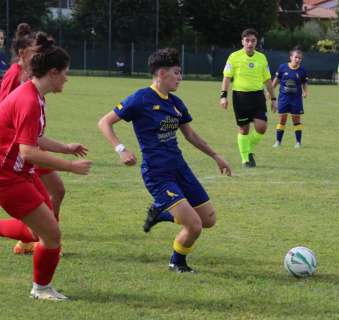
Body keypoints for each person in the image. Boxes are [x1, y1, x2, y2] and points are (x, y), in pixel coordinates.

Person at [98, 48, 232, 273]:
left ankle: (161, 213)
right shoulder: (140, 99)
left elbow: (190, 135)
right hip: (157, 173)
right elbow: (104, 122)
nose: (180, 78)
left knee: (208, 219)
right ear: (161, 73)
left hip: (180, 168)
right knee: (194, 225)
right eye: (177, 73)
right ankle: (177, 262)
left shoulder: (176, 103)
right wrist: (120, 149)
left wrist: (216, 156)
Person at [0, 34, 91, 300]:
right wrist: (70, 166)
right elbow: (28, 152)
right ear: (52, 72)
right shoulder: (28, 100)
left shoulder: (34, 94)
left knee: (37, 231)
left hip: (20, 173)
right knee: (51, 235)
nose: (67, 78)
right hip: (7, 177)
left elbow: (31, 137)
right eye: (65, 73)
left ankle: (42, 287)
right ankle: (41, 289)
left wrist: (65, 147)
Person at [0, 24, 68, 256]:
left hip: (26, 146)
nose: (42, 57)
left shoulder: (34, 85)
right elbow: (7, 112)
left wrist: (65, 149)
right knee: (56, 191)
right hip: (16, 152)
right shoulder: (16, 78)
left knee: (57, 191)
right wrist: (70, 164)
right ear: (23, 54)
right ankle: (43, 240)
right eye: (37, 52)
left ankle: (43, 239)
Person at [219, 28, 277, 167]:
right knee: (244, 129)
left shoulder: (262, 58)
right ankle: (245, 158)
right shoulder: (234, 57)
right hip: (240, 97)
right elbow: (227, 77)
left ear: (257, 42)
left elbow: (268, 80)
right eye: (247, 40)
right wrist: (223, 96)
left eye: (253, 40)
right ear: (242, 41)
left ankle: (247, 148)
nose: (250, 43)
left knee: (261, 127)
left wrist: (273, 99)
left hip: (258, 96)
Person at [271, 47, 308, 148]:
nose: (298, 60)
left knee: (296, 119)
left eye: (300, 58)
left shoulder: (302, 71)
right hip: (283, 98)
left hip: (296, 99)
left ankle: (298, 142)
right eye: (296, 57)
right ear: (291, 57)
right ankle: (278, 142)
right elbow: (276, 80)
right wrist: (271, 91)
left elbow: (304, 83)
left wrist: (305, 92)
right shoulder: (282, 67)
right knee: (282, 119)